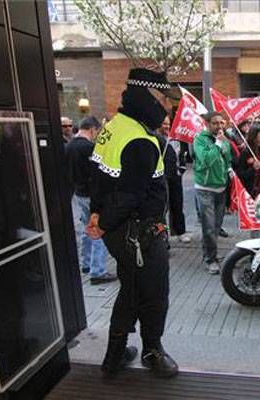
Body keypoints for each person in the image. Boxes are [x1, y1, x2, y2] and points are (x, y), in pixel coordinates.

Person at [86, 68, 179, 379]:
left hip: (120, 231)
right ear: (149, 96)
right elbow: (128, 196)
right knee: (154, 295)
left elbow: (99, 179)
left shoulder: (115, 126)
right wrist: (101, 223)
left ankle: (115, 355)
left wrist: (98, 215)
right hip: (139, 235)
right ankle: (152, 350)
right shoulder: (141, 140)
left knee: (131, 290)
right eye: (165, 99)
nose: (169, 107)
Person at [65, 116, 115, 284]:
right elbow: (98, 175)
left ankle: (85, 263)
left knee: (86, 228)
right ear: (93, 129)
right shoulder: (90, 148)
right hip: (92, 195)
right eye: (97, 131)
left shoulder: (68, 146)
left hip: (78, 194)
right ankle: (98, 271)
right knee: (97, 230)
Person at [193, 111, 233, 274]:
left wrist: (229, 169)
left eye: (222, 123)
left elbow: (227, 158)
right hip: (205, 190)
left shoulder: (224, 140)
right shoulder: (200, 140)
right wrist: (217, 143)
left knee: (216, 227)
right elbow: (206, 159)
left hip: (221, 189)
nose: (219, 126)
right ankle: (211, 259)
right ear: (208, 124)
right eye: (215, 123)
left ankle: (209, 253)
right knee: (208, 227)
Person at [157, 115, 191, 243]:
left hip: (175, 176)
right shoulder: (155, 138)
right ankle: (163, 237)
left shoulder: (176, 137)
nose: (166, 126)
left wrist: (181, 168)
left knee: (177, 204)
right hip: (162, 177)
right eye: (164, 124)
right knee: (162, 207)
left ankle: (180, 231)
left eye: (168, 123)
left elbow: (182, 154)